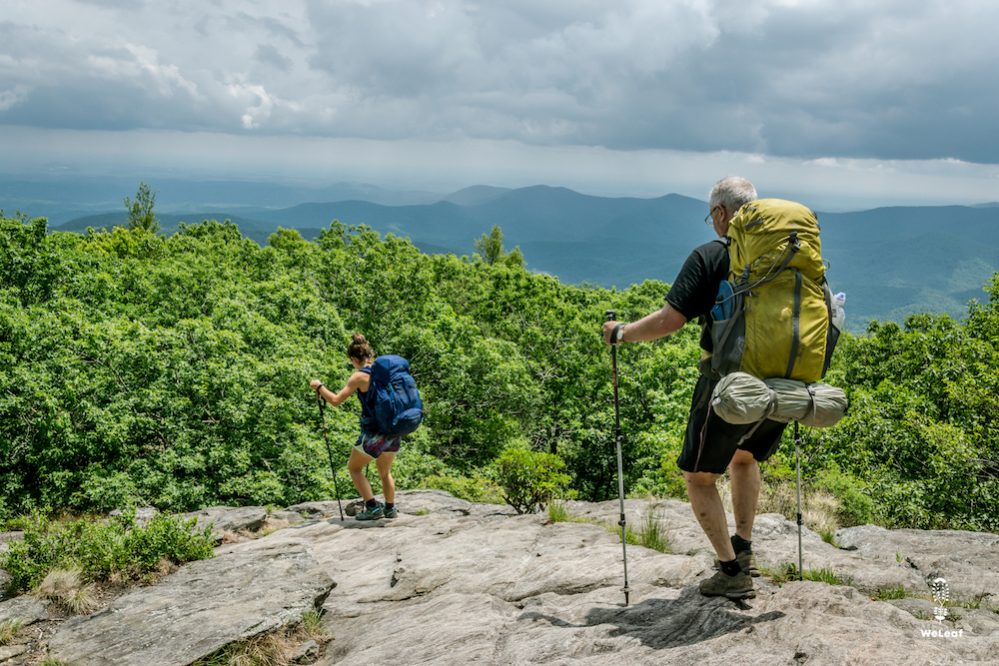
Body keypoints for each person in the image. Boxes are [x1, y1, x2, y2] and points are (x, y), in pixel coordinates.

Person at [602, 176, 786, 600]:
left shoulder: (711, 256)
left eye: (711, 215)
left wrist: (621, 333)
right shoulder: (783, 256)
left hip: (729, 384)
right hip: (781, 383)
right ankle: (744, 547)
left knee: (698, 476)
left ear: (721, 213)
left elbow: (669, 320)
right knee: (745, 456)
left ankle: (731, 572)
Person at [310, 333, 400, 521]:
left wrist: (319, 387)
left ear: (353, 359)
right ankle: (390, 509)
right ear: (370, 355)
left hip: (375, 433)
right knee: (385, 472)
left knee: (354, 468)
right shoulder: (386, 374)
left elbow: (335, 400)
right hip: (394, 430)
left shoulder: (359, 377)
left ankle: (373, 507)